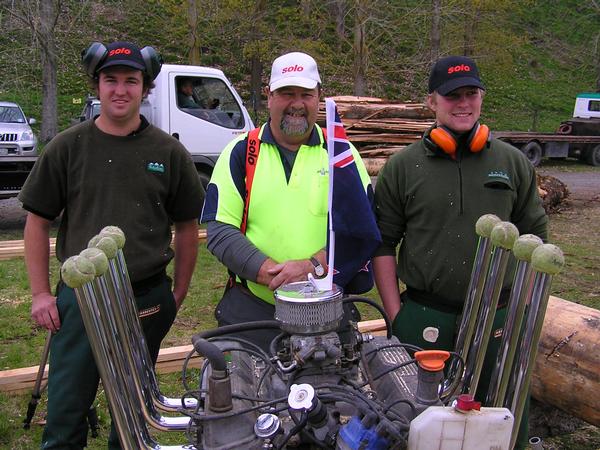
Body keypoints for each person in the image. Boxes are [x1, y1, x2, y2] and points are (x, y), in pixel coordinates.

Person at [18, 41, 204, 449]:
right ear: (97, 85)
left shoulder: (168, 152)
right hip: (80, 301)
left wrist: (178, 293)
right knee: (66, 412)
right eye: (111, 80)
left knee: (134, 416)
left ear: (145, 88)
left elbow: (187, 227)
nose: (120, 90)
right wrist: (40, 294)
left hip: (145, 299)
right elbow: (37, 222)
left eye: (131, 81)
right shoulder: (67, 147)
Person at [372, 55, 548, 449]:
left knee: (499, 419)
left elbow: (535, 238)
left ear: (482, 98)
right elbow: (382, 243)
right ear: (431, 102)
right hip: (424, 315)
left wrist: (518, 313)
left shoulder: (513, 163)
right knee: (419, 423)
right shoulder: (402, 167)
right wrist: (396, 315)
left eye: (471, 93)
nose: (463, 103)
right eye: (452, 96)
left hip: (498, 317)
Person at [200, 51, 375, 351]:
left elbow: (361, 233)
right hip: (254, 310)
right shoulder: (240, 153)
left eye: (306, 94)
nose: (296, 103)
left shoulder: (342, 156)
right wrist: (272, 273)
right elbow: (219, 230)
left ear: (319, 97)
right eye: (286, 93)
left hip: (326, 313)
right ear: (269, 96)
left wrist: (311, 267)